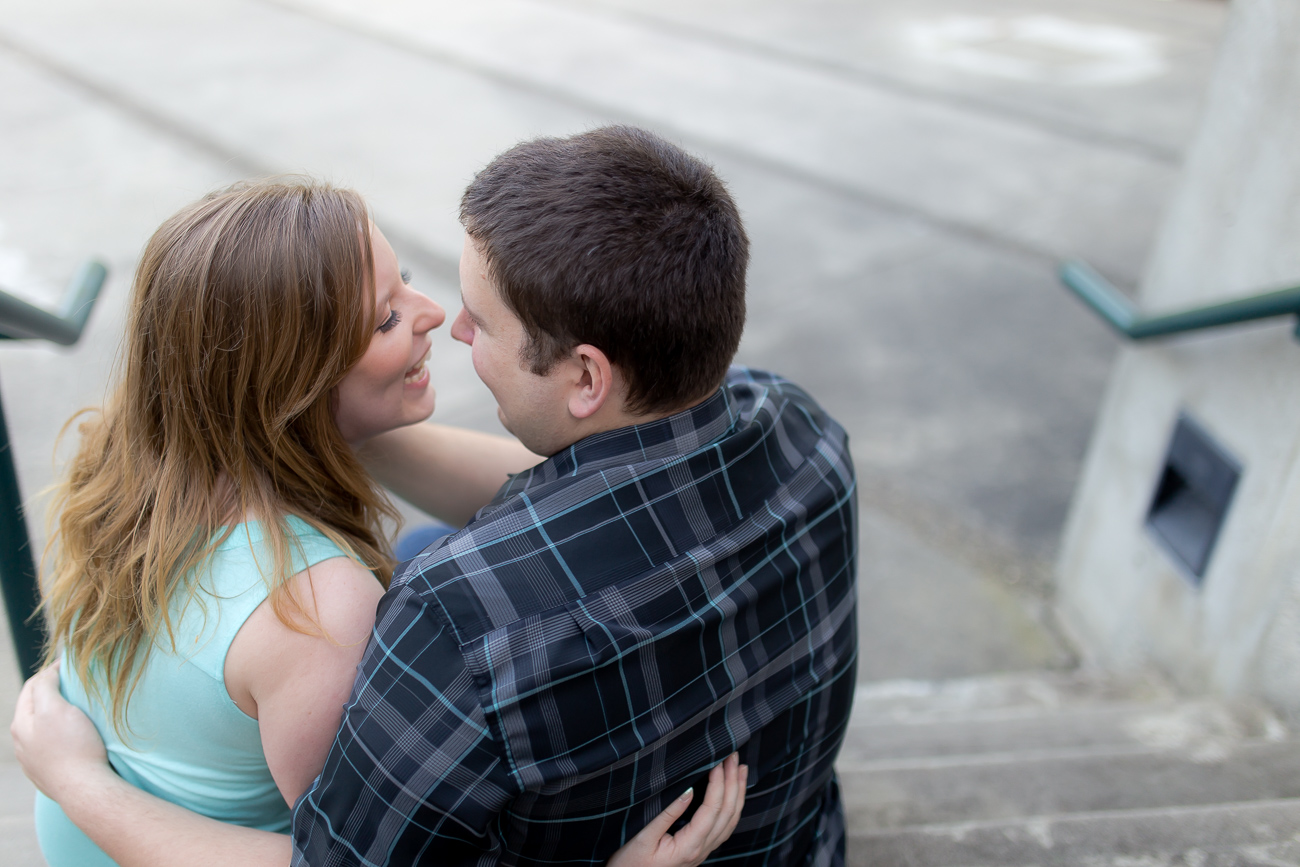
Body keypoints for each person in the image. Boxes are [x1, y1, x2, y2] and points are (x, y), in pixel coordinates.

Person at [15, 125, 856, 866]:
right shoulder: (797, 423)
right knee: (418, 549)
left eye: (481, 321)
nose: (443, 322)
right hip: (799, 834)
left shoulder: (142, 476)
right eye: (388, 315)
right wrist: (335, 416)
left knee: (421, 566)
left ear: (586, 375)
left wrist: (76, 781)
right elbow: (597, 498)